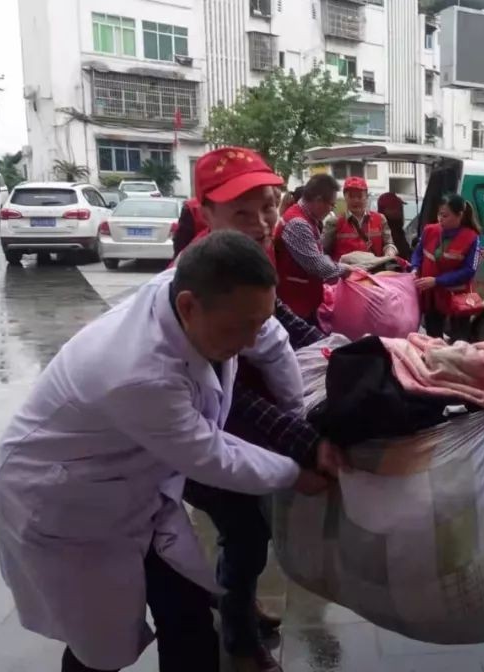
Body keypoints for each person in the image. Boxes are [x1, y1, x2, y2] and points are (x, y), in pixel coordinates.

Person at [0, 230, 327, 672]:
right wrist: (295, 472)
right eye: (239, 328)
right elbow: (211, 456)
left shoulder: (200, 296)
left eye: (256, 323)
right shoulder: (137, 372)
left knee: (188, 617)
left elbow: (273, 341)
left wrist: (298, 423)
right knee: (100, 650)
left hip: (134, 491)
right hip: (65, 505)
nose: (249, 341)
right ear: (188, 306)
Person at [175, 147, 343, 672]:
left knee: (249, 530)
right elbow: (225, 399)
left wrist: (342, 350)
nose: (262, 221)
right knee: (245, 529)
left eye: (269, 206)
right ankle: (239, 641)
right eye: (242, 211)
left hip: (238, 421)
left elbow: (282, 321)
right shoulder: (201, 278)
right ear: (206, 212)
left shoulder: (251, 254)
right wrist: (300, 440)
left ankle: (238, 602)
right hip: (196, 430)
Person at [275, 174, 350, 323]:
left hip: (303, 302)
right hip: (295, 304)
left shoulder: (308, 218)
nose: (331, 210)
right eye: (331, 204)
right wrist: (344, 269)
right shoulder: (298, 224)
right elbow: (317, 265)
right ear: (318, 200)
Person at [411, 193, 481, 342]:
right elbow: (418, 253)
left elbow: (470, 270)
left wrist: (437, 281)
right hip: (432, 297)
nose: (440, 219)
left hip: (457, 298)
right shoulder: (429, 230)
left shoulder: (472, 238)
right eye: (439, 214)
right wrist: (414, 268)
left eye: (445, 216)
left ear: (459, 215)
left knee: (459, 343)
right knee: (432, 341)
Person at [322, 176, 397, 260]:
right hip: (345, 268)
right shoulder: (334, 222)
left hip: (375, 267)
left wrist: (390, 251)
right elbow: (322, 251)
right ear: (345, 197)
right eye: (351, 196)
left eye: (359, 196)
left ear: (366, 196)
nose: (356, 200)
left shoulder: (380, 219)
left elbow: (389, 243)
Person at [377, 189, 413, 260]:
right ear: (384, 210)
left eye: (400, 208)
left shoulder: (397, 229)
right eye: (396, 207)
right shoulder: (387, 231)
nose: (400, 211)